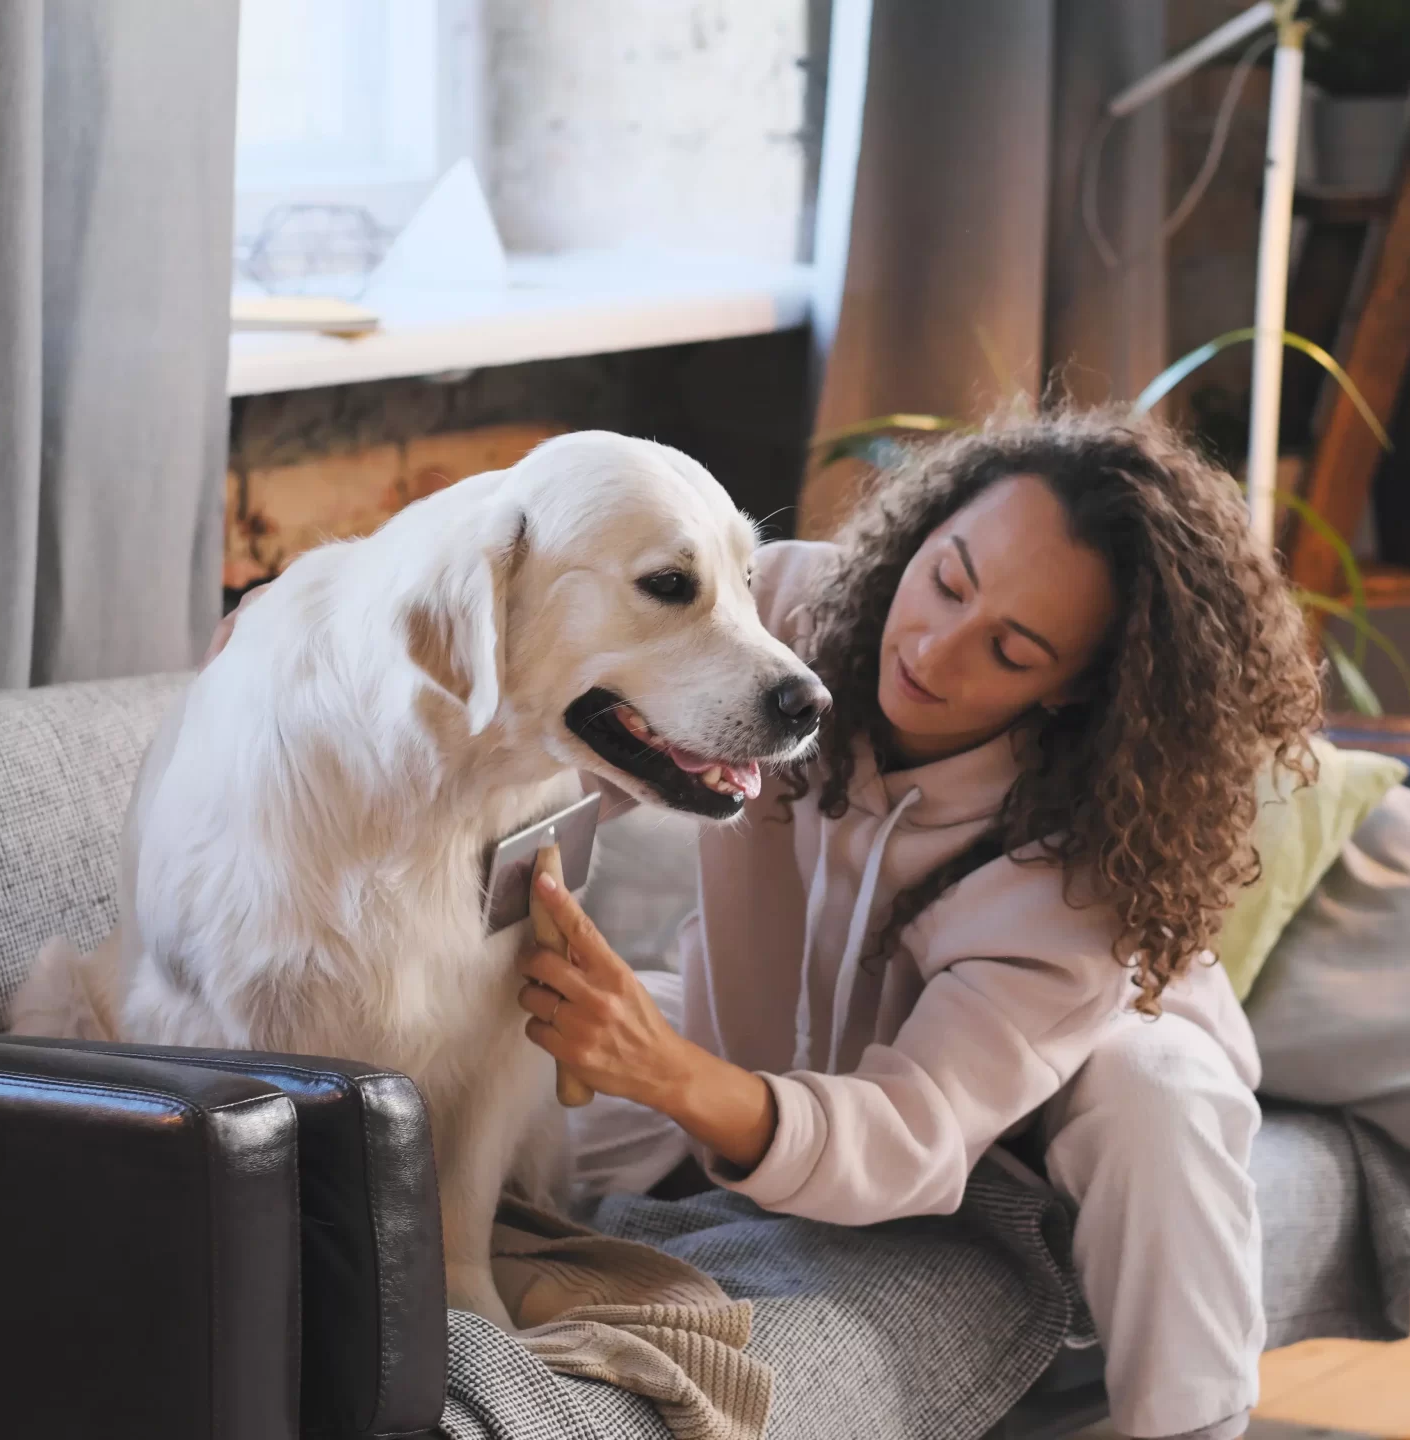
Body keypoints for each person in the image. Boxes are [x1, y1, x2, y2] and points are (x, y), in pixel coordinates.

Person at [512, 411, 1326, 1440]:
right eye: (947, 580)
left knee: (1151, 1085)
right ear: (921, 531)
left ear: (1073, 686)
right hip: (781, 1068)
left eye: (1011, 649)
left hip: (1016, 1112)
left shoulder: (1082, 880)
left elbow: (908, 1137)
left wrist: (672, 1076)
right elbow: (559, 737)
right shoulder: (775, 619)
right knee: (504, 1066)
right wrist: (318, 627)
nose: (934, 651)